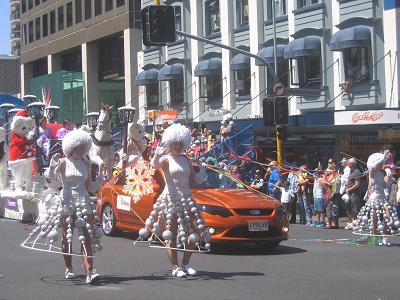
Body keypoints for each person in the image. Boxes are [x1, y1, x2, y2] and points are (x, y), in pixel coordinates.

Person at [139, 123, 209, 278]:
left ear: (184, 143)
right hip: (170, 198)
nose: (178, 146)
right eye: (175, 143)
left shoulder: (186, 159)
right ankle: (175, 266)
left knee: (195, 231)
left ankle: (186, 263)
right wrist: (156, 154)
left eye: (180, 143)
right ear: (170, 144)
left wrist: (203, 170)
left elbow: (195, 181)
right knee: (172, 232)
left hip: (186, 198)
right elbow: (154, 165)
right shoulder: (166, 159)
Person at [343, 158, 361, 230]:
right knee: (348, 208)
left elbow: (357, 184)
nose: (347, 164)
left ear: (351, 164)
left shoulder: (356, 171)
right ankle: (350, 223)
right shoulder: (350, 171)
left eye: (348, 163)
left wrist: (349, 189)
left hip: (354, 194)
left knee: (354, 209)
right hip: (349, 194)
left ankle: (355, 223)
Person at [322, 160, 338, 229]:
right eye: (328, 162)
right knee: (329, 208)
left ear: (334, 163)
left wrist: (329, 183)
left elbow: (335, 183)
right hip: (327, 193)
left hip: (333, 193)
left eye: (331, 162)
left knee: (332, 208)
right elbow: (323, 181)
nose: (329, 164)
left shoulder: (335, 172)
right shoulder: (326, 173)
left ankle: (332, 223)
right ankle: (331, 223)